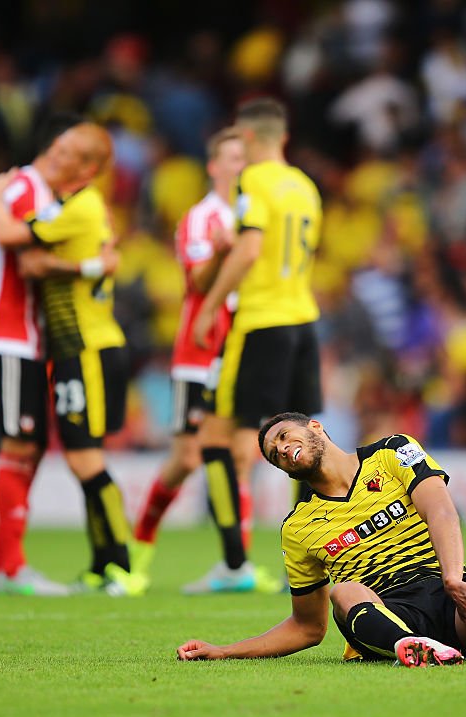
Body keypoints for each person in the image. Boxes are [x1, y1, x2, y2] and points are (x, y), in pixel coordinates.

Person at [176, 412, 466, 666]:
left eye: (285, 437)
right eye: (274, 454)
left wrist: (454, 579)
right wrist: (225, 651)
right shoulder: (297, 527)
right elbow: (307, 627)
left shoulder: (393, 451)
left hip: (450, 600)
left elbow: (440, 508)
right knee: (342, 590)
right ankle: (412, 648)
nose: (283, 450)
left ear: (315, 428)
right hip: (384, 611)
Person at [0, 122, 143, 596]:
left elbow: (20, 246)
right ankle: (102, 564)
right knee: (81, 456)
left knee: (84, 456)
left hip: (87, 348)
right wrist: (93, 263)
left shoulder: (82, 207)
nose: (55, 154)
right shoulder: (82, 209)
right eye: (56, 145)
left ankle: (121, 564)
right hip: (80, 348)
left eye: (68, 151)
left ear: (88, 168)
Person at [127, 128, 277, 593]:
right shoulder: (201, 218)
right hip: (200, 351)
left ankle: (239, 566)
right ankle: (138, 551)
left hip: (242, 349)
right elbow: (196, 284)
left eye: (244, 157)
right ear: (213, 165)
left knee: (240, 456)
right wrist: (221, 249)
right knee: (187, 457)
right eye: (231, 156)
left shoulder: (256, 214)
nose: (239, 164)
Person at [187, 98, 323, 592]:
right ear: (282, 137)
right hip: (304, 321)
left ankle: (234, 565)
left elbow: (249, 248)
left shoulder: (256, 181)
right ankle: (314, 560)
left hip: (263, 322)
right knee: (308, 444)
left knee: (221, 441)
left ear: (246, 139)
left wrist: (208, 307)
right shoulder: (306, 187)